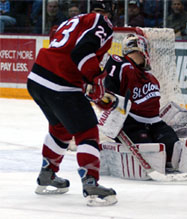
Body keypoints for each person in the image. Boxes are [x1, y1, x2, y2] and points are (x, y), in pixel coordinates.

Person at [27, 0, 117, 207]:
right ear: (111, 11)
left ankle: (47, 175)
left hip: (37, 79)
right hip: (60, 84)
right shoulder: (102, 21)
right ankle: (91, 183)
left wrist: (89, 83)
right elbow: (82, 53)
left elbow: (65, 48)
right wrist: (98, 80)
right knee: (87, 131)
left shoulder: (75, 20)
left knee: (61, 128)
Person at [104, 34, 187, 172]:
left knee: (174, 148)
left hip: (155, 123)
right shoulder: (120, 63)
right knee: (150, 151)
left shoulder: (151, 78)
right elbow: (109, 89)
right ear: (141, 48)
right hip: (131, 122)